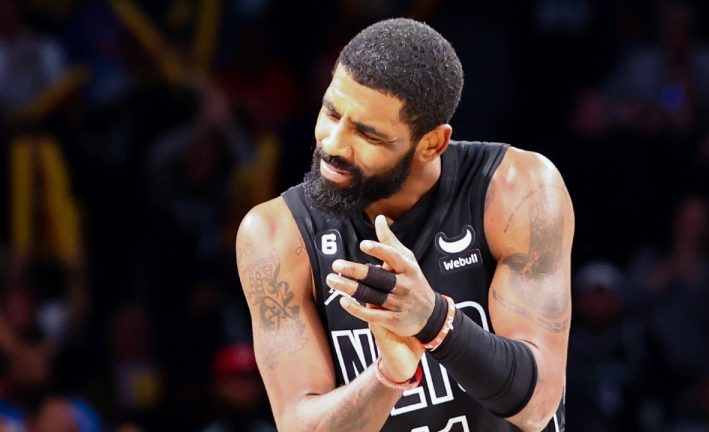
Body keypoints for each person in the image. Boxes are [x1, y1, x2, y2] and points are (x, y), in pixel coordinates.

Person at [236, 18, 573, 432]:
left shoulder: (517, 189)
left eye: (368, 135)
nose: (334, 143)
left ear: (432, 143)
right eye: (332, 112)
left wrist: (433, 321)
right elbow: (299, 424)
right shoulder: (276, 234)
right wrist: (387, 376)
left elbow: (537, 407)